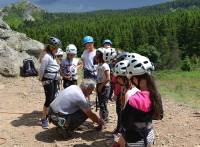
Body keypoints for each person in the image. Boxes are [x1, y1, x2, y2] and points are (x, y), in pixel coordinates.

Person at [115, 55, 159, 147]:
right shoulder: (154, 95)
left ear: (135, 78)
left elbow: (125, 123)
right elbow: (158, 116)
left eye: (132, 79)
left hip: (135, 139)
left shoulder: (134, 99)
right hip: (150, 135)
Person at [39, 37, 61, 129]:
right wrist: (41, 79)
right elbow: (41, 69)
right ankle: (44, 118)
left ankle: (49, 116)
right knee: (49, 99)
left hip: (54, 79)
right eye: (56, 48)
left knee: (53, 98)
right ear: (52, 48)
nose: (57, 50)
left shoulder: (52, 56)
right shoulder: (47, 57)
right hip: (48, 80)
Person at [95, 48, 111, 123]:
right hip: (100, 85)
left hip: (104, 86)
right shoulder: (99, 65)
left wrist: (101, 86)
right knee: (101, 103)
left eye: (97, 56)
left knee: (103, 104)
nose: (95, 57)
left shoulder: (105, 66)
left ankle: (104, 120)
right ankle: (103, 118)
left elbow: (108, 78)